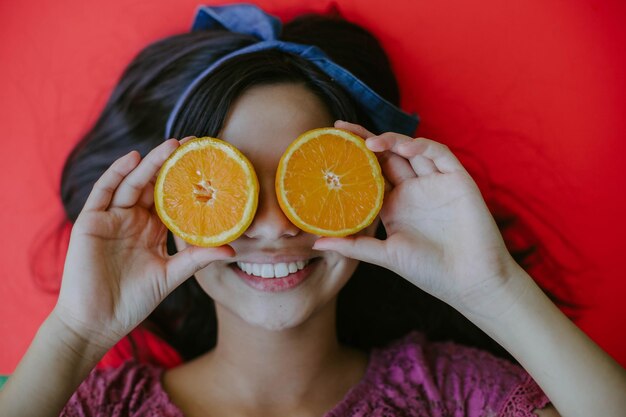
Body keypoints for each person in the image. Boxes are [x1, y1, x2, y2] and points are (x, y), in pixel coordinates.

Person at [1, 4, 625, 417]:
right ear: (175, 207)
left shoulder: (452, 394)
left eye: (310, 183)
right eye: (234, 188)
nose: (275, 227)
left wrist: (494, 291)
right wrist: (76, 334)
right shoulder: (91, 405)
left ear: (371, 195)